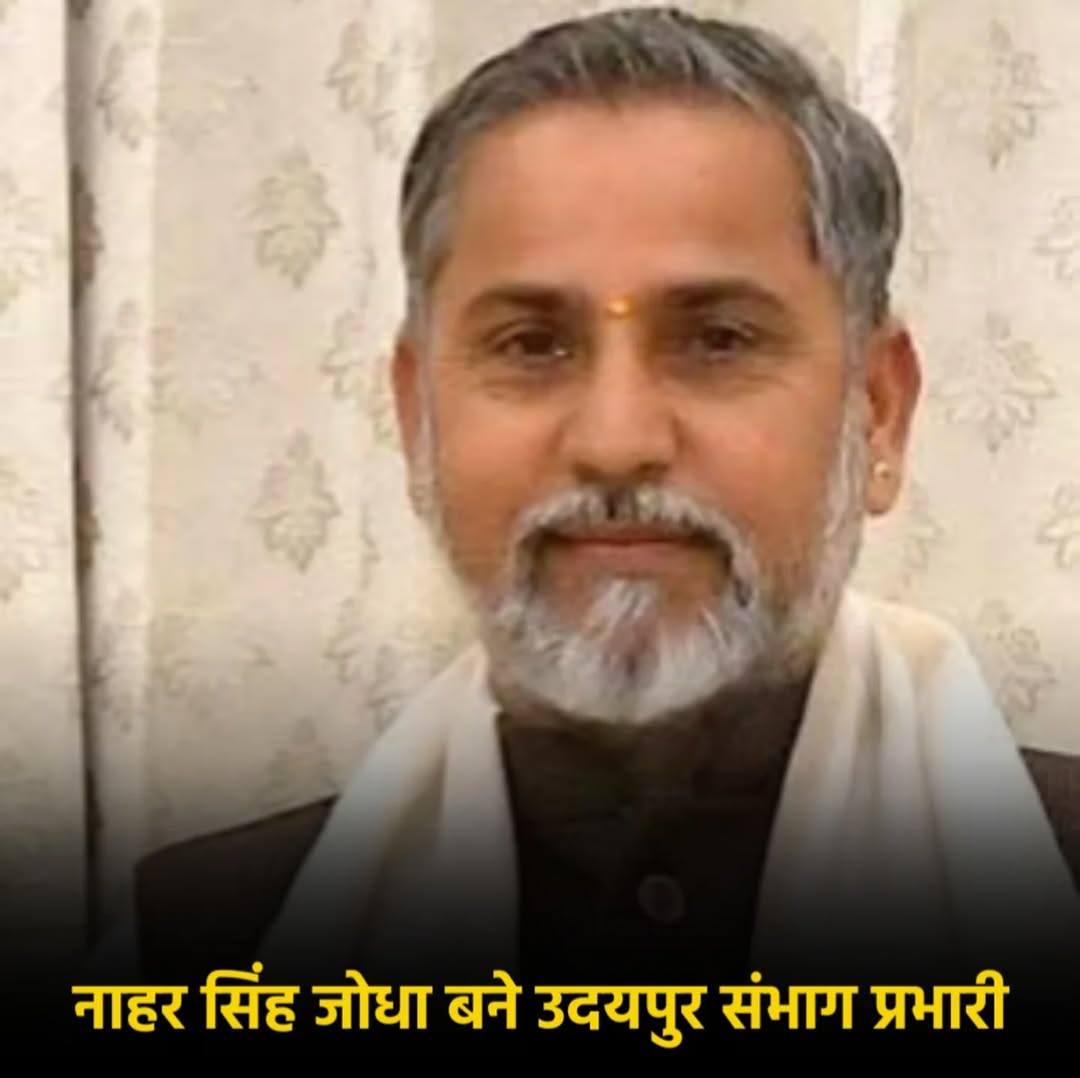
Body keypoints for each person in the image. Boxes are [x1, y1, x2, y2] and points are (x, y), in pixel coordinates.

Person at [135, 7, 1079, 1005]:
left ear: (877, 413)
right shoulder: (199, 947)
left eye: (718, 339)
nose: (617, 440)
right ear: (417, 423)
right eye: (531, 344)